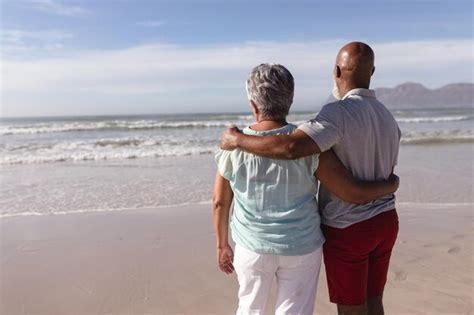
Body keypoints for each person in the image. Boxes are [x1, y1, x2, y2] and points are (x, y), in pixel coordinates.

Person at [220, 43, 401, 315]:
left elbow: (291, 147)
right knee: (373, 301)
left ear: (336, 71)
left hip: (350, 227)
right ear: (372, 71)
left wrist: (237, 138)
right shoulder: (387, 117)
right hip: (386, 220)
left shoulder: (337, 112)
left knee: (352, 307)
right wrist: (391, 185)